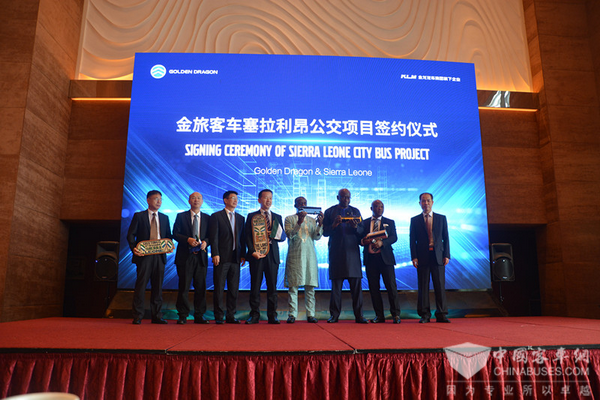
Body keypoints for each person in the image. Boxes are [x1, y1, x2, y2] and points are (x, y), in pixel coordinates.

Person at [323, 188, 368, 324]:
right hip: (336, 253)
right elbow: (324, 232)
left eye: (348, 197)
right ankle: (334, 315)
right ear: (338, 197)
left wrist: (355, 227)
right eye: (343, 197)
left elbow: (362, 232)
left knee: (356, 287)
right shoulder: (330, 212)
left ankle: (359, 316)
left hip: (352, 253)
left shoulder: (355, 211)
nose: (346, 200)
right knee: (336, 288)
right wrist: (334, 224)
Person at [127, 190, 172, 325]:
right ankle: (138, 315)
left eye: (160, 199)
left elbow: (168, 236)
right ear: (148, 200)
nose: (159, 202)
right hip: (144, 256)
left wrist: (169, 246)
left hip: (159, 256)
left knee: (157, 287)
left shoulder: (164, 218)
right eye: (156, 199)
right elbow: (131, 234)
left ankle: (157, 316)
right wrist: (134, 248)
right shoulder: (139, 216)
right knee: (141, 286)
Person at [245, 189, 286, 324]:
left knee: (272, 287)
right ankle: (254, 315)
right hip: (257, 255)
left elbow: (283, 237)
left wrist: (272, 234)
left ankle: (272, 315)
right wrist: (252, 251)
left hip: (272, 256)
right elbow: (247, 236)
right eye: (265, 198)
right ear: (259, 200)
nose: (268, 200)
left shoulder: (277, 217)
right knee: (255, 286)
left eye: (270, 198)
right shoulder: (252, 216)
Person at [409, 192, 451, 323]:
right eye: (423, 201)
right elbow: (412, 240)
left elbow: (446, 238)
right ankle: (425, 315)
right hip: (422, 257)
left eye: (428, 200)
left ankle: (441, 314)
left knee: (440, 286)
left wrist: (447, 255)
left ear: (432, 202)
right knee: (423, 286)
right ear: (419, 203)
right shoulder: (415, 220)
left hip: (438, 256)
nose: (425, 203)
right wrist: (414, 257)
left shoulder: (441, 218)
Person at [359, 200, 401, 323]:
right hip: (371, 259)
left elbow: (394, 237)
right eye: (377, 206)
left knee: (391, 287)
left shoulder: (389, 222)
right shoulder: (365, 223)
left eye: (382, 206)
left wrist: (383, 243)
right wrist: (364, 241)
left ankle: (396, 315)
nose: (379, 208)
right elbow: (360, 239)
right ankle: (379, 315)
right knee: (374, 288)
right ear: (371, 208)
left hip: (386, 259)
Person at [284, 197, 324, 324]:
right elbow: (290, 235)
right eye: (300, 203)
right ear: (295, 205)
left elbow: (317, 237)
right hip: (295, 256)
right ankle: (292, 314)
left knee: (310, 287)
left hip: (309, 256)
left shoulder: (312, 220)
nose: (303, 205)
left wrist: (320, 224)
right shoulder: (289, 219)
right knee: (293, 287)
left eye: (305, 203)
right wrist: (299, 222)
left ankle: (311, 314)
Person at [173, 192, 210, 324]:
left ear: (202, 201)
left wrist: (206, 242)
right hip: (185, 256)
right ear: (189, 201)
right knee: (184, 286)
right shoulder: (181, 216)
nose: (196, 200)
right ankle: (182, 315)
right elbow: (175, 233)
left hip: (201, 257)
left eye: (199, 198)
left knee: (201, 287)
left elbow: (211, 235)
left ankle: (199, 315)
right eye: (193, 198)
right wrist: (187, 239)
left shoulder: (208, 218)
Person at [209, 190, 246, 324]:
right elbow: (214, 237)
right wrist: (215, 253)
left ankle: (231, 315)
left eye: (236, 199)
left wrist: (243, 255)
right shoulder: (216, 216)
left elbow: (242, 238)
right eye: (232, 198)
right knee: (219, 287)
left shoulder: (240, 218)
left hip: (236, 258)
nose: (235, 201)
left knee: (233, 288)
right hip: (221, 257)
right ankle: (219, 316)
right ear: (225, 200)